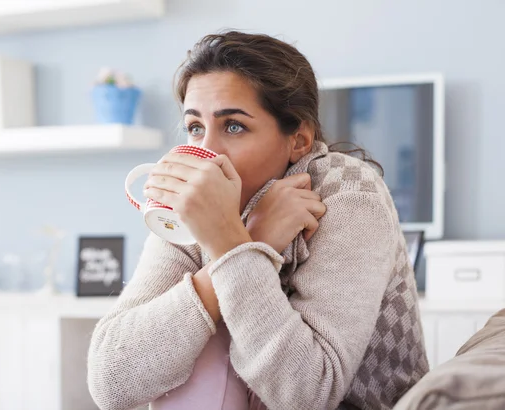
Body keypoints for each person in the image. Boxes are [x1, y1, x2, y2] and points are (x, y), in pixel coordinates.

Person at [87, 31, 429, 410]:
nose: (206, 153)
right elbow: (110, 381)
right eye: (196, 128)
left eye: (233, 126)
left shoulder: (348, 194)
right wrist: (248, 242)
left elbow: (308, 394)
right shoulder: (190, 203)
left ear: (298, 140)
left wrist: (231, 245)